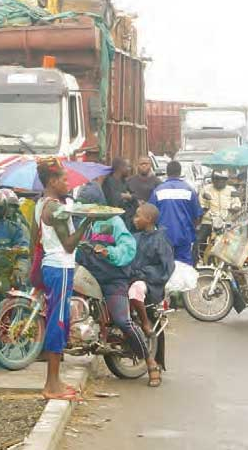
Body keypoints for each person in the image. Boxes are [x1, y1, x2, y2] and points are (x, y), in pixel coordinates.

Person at [32, 157, 96, 400]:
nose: (68, 183)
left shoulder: (42, 204)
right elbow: (69, 245)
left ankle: (55, 381)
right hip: (60, 266)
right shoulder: (54, 209)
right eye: (64, 179)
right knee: (57, 323)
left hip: (54, 266)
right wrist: (87, 222)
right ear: (52, 181)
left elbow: (34, 239)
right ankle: (51, 385)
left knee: (58, 320)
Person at [77, 209, 162, 387]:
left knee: (122, 320)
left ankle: (150, 362)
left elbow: (127, 248)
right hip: (88, 274)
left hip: (112, 280)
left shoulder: (113, 222)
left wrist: (109, 252)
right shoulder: (84, 222)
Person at [128, 203, 175, 344]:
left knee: (136, 288)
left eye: (137, 216)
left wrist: (142, 273)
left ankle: (145, 322)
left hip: (151, 283)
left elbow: (166, 268)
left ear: (148, 218)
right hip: (133, 277)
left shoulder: (161, 240)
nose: (134, 219)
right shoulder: (135, 237)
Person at [150, 161, 203, 265]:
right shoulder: (189, 190)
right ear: (180, 172)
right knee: (184, 268)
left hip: (163, 236)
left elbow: (150, 214)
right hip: (184, 236)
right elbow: (198, 215)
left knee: (165, 267)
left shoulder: (158, 190)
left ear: (167, 172)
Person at [197, 170, 241, 259]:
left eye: (223, 179)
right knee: (198, 240)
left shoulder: (231, 190)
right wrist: (204, 209)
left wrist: (234, 208)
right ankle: (198, 259)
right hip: (209, 221)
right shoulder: (206, 190)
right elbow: (201, 205)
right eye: (218, 179)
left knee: (236, 242)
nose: (220, 182)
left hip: (226, 222)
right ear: (213, 180)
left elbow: (237, 204)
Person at [103, 158, 138, 228]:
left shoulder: (124, 181)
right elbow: (113, 201)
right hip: (114, 221)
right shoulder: (109, 182)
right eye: (127, 166)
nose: (129, 169)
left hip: (126, 220)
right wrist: (123, 196)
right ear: (120, 168)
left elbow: (134, 196)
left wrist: (128, 196)